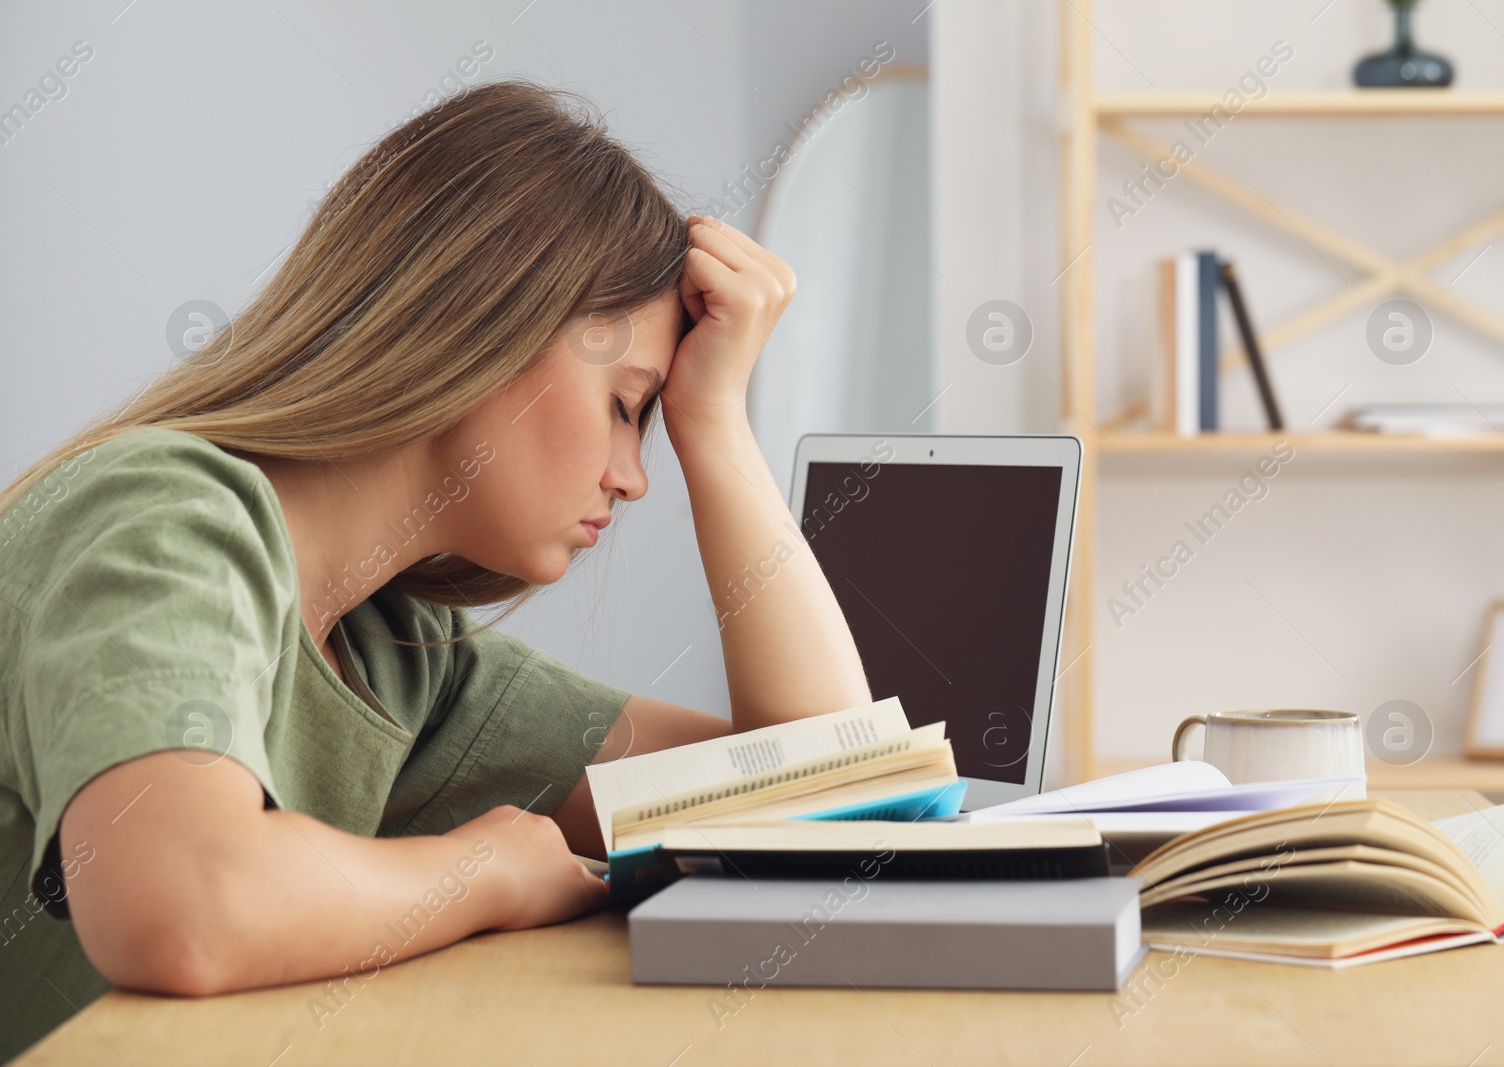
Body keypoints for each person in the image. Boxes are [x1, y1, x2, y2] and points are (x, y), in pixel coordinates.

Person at [0, 77, 871, 1059]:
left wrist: (717, 425)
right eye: (630, 405)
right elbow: (184, 905)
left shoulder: (392, 655)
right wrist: (483, 870)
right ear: (489, 324)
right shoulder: (159, 518)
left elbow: (828, 795)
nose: (632, 479)